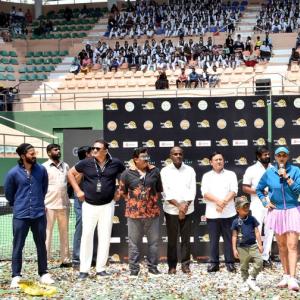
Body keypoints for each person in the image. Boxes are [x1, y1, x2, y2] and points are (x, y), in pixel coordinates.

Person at [68, 139, 125, 280]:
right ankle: (84, 270)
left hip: (107, 205)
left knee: (105, 237)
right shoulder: (86, 162)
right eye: (93, 148)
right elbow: (70, 173)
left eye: (97, 149)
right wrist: (77, 191)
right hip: (89, 205)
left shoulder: (115, 163)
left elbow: (124, 176)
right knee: (86, 236)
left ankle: (101, 269)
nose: (93, 150)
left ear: (105, 151)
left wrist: (120, 191)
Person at [4, 143, 54, 288]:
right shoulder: (13, 173)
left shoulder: (42, 170)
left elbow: (43, 189)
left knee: (41, 245)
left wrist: (37, 202)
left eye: (34, 153)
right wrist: (20, 204)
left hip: (38, 214)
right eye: (31, 153)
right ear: (22, 155)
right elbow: (9, 193)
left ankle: (44, 273)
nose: (34, 155)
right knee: (18, 246)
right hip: (21, 215)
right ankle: (16, 275)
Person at [256, 146, 300, 291]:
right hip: (277, 211)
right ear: (275, 157)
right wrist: (265, 201)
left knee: (292, 245)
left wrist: (287, 177)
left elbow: (298, 190)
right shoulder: (269, 172)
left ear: (288, 157)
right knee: (281, 246)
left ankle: (293, 278)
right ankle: (286, 275)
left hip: (293, 209)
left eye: (284, 155)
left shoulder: (295, 171)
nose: (281, 157)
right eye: (279, 155)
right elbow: (259, 189)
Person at [119, 147, 163, 276]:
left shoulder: (155, 171)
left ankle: (153, 268)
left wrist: (151, 201)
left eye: (147, 156)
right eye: (143, 157)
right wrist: (134, 203)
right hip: (134, 214)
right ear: (135, 159)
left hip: (152, 213)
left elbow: (159, 189)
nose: (146, 159)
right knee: (133, 243)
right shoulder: (126, 173)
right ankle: (134, 270)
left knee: (154, 243)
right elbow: (123, 192)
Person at [160, 146, 196, 274]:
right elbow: (165, 192)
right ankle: (172, 266)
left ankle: (185, 265)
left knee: (186, 239)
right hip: (171, 211)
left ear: (183, 155)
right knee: (172, 240)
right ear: (170, 156)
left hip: (188, 210)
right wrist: (179, 206)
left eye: (180, 154)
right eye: (175, 154)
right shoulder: (164, 171)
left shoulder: (190, 170)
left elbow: (192, 190)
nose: (178, 156)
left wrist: (184, 206)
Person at [201, 151, 238, 273]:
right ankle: (214, 263)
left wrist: (223, 203)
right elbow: (205, 193)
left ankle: (230, 263)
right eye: (216, 160)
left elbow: (234, 191)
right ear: (211, 162)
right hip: (213, 214)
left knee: (229, 239)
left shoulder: (231, 174)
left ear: (223, 161)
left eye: (220, 159)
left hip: (229, 213)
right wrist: (219, 202)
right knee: (213, 240)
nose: (218, 161)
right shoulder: (206, 176)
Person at [242, 146, 273, 267]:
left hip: (272, 204)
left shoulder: (273, 169)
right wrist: (259, 191)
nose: (267, 156)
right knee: (257, 230)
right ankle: (257, 257)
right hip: (256, 204)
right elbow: (245, 187)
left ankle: (266, 257)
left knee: (270, 231)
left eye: (268, 154)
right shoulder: (251, 169)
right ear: (258, 156)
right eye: (265, 155)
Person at [43, 144, 71, 267]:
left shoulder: (65, 166)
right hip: (48, 205)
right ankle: (44, 261)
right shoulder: (43, 167)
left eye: (59, 149)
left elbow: (68, 183)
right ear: (49, 153)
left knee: (64, 233)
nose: (58, 151)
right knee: (47, 234)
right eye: (55, 149)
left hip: (64, 205)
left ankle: (65, 260)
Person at [72, 146, 98, 268]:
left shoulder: (96, 164)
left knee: (93, 228)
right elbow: (75, 183)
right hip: (81, 201)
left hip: (94, 199)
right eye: (93, 151)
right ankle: (77, 259)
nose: (95, 153)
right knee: (81, 227)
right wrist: (83, 169)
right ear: (87, 154)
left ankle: (92, 257)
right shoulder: (78, 166)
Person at [232, 197, 263, 292]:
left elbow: (257, 232)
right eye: (243, 206)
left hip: (253, 246)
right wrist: (234, 249)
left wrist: (260, 244)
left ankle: (252, 279)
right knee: (243, 266)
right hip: (241, 248)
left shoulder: (252, 219)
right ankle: (245, 281)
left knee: (259, 262)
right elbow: (234, 236)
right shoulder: (235, 222)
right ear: (237, 209)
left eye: (247, 206)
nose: (246, 208)